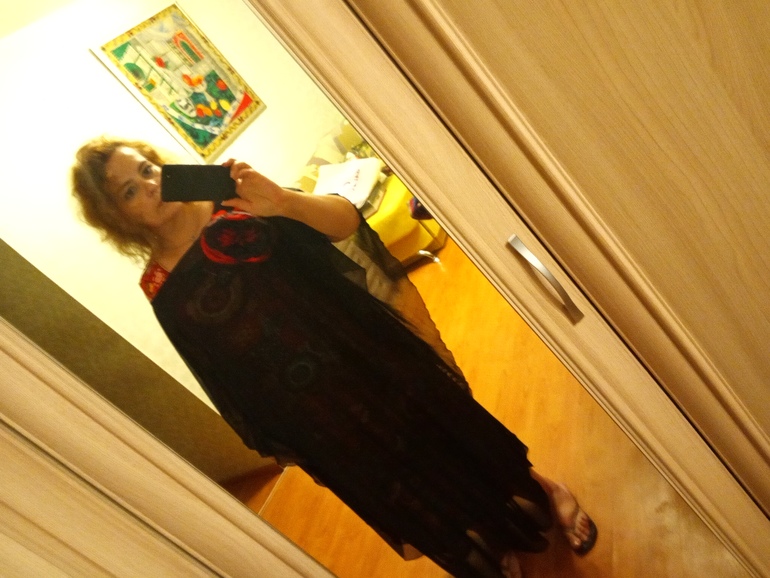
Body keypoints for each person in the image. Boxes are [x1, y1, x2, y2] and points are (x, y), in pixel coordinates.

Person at [71, 137, 597, 578]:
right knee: (407, 481)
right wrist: (284, 437)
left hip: (367, 350)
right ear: (118, 218)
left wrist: (282, 201)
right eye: (130, 191)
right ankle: (490, 540)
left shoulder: (237, 197)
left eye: (146, 169)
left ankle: (545, 490)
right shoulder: (159, 286)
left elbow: (346, 223)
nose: (151, 185)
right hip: (319, 410)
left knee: (452, 429)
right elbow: (218, 370)